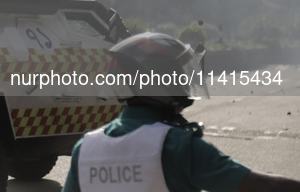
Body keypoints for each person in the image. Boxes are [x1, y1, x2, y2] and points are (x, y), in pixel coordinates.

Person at [62, 32, 300, 192]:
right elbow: (263, 186)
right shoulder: (176, 145)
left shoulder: (85, 149)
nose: (185, 83)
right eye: (178, 75)